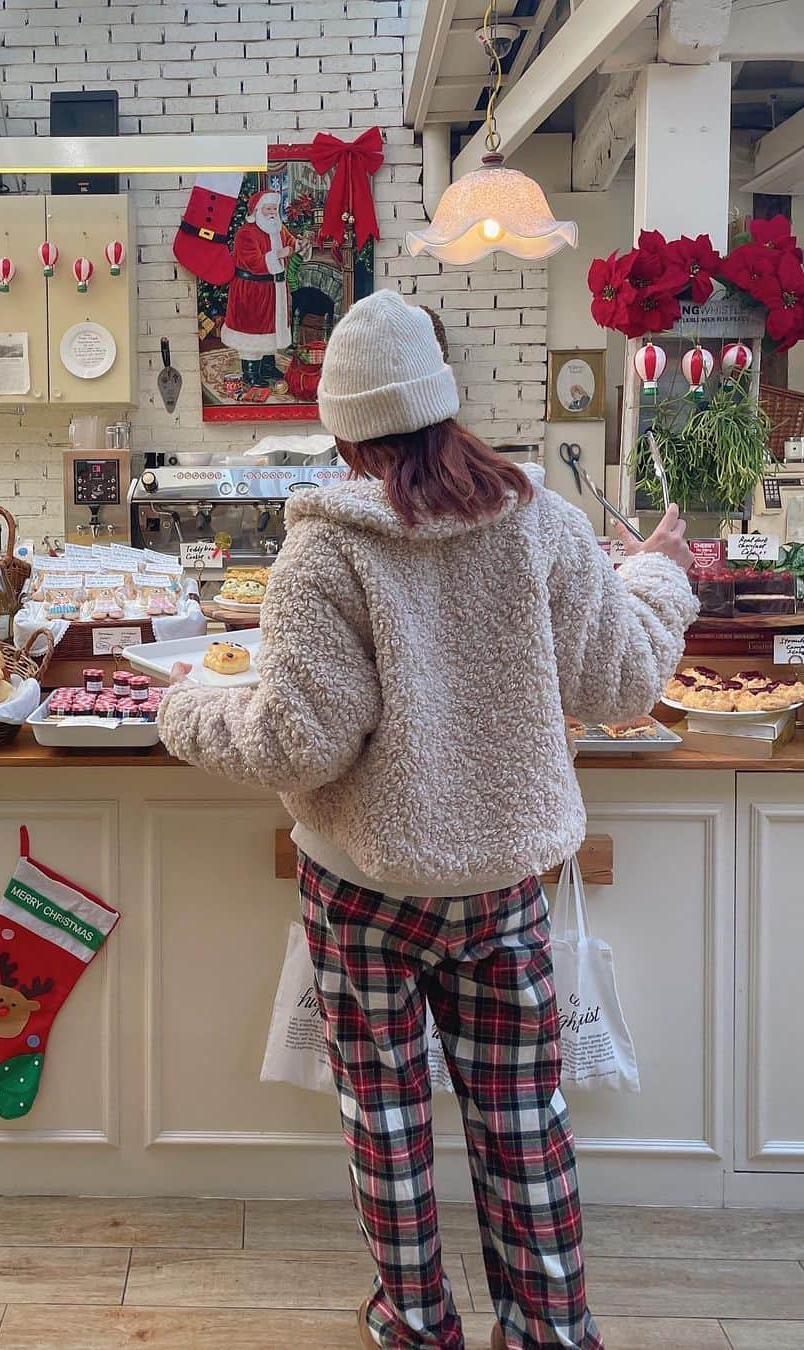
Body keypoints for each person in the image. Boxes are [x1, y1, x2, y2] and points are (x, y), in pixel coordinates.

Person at [158, 291, 697, 1350]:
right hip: (503, 887)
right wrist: (659, 574)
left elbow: (295, 743)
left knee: (390, 1127)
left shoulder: (323, 551)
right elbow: (624, 677)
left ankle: (413, 1320)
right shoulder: (539, 519)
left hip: (362, 891)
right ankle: (549, 1328)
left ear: (342, 426)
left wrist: (182, 708)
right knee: (522, 1130)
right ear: (446, 402)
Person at [223, 190, 305, 392]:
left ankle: (267, 367)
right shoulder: (246, 233)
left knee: (271, 329)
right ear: (258, 210)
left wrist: (300, 245)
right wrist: (279, 254)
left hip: (274, 288)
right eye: (268, 208)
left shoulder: (278, 228)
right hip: (252, 289)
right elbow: (254, 262)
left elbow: (290, 242)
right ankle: (251, 373)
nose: (272, 212)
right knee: (253, 332)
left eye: (275, 209)